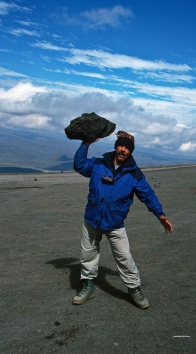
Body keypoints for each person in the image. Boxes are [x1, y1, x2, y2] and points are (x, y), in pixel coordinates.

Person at [72, 130, 173, 309]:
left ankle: (134, 288)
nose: (123, 150)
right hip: (92, 220)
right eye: (121, 145)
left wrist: (160, 214)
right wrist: (85, 143)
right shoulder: (99, 163)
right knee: (88, 254)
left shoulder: (135, 174)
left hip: (114, 223)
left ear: (131, 151)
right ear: (116, 146)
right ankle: (87, 285)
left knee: (124, 257)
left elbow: (148, 195)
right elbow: (80, 165)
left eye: (127, 148)